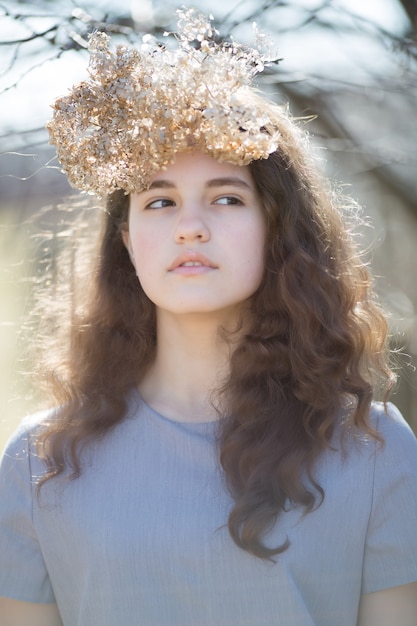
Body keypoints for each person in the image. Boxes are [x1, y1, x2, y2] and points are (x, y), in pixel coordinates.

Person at [0, 8, 416, 626]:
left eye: (226, 197)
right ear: (127, 240)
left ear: (278, 230)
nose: (190, 225)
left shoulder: (374, 449)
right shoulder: (42, 459)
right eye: (160, 200)